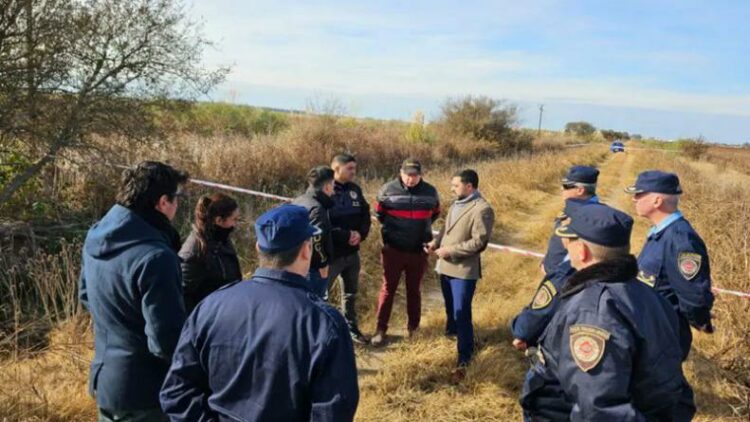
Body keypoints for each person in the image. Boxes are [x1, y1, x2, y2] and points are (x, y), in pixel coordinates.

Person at [160, 204, 360, 421]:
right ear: (306, 250)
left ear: (258, 247)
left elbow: (176, 392)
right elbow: (333, 412)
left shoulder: (211, 306)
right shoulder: (324, 323)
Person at [520, 203, 695, 421]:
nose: (566, 246)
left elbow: (598, 408)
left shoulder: (593, 311)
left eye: (570, 241)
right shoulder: (647, 294)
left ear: (582, 251)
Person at [79, 161, 188, 422]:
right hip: (145, 392)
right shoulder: (157, 257)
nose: (178, 205)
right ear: (163, 202)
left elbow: (85, 297)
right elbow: (165, 340)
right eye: (178, 198)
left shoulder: (95, 236)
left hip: (105, 381)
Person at [625, 170, 714, 359]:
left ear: (657, 201)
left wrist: (701, 321)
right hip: (650, 328)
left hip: (665, 335)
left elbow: (693, 295)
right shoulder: (660, 233)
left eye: (639, 194)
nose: (634, 199)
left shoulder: (681, 241)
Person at [425, 169, 494, 382]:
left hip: (463, 271)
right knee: (450, 309)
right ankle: (452, 337)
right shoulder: (456, 204)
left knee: (461, 312)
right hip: (444, 267)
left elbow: (478, 242)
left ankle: (464, 358)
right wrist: (435, 243)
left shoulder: (482, 209)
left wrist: (450, 251)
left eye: (456, 185)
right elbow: (446, 230)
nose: (452, 189)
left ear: (469, 186)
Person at [371, 158, 440, 346]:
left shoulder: (431, 192)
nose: (411, 179)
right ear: (400, 173)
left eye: (415, 175)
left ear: (420, 175)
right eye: (407, 175)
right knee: (387, 289)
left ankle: (413, 330)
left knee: (414, 291)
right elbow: (380, 215)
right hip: (393, 250)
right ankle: (380, 329)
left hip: (419, 251)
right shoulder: (387, 190)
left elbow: (435, 213)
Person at [328, 154, 372, 344]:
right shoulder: (326, 189)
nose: (354, 172)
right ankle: (326, 334)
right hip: (331, 255)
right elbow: (323, 223)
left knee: (350, 294)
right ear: (336, 169)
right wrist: (346, 235)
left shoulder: (355, 189)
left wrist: (360, 234)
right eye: (350, 169)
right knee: (321, 295)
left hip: (352, 254)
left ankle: (351, 328)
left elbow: (365, 214)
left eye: (355, 168)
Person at [179, 193, 242, 312]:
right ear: (219, 220)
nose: (235, 224)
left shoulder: (221, 239)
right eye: (234, 219)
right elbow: (183, 295)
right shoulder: (194, 252)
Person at [541, 165, 600, 275]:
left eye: (566, 186)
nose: (561, 189)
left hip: (563, 278)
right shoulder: (574, 208)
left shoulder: (588, 217)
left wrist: (551, 270)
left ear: (580, 190)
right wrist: (547, 262)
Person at [292, 166, 335, 298]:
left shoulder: (298, 201)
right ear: (327, 187)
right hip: (313, 270)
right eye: (333, 186)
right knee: (317, 306)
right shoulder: (317, 209)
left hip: (297, 264)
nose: (334, 191)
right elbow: (316, 241)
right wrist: (322, 265)